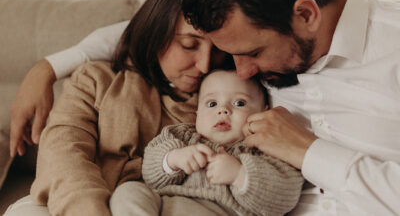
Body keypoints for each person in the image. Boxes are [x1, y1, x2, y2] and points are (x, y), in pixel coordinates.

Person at [182, 0, 400, 215]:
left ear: (306, 15)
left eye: (254, 53)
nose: (243, 72)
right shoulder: (249, 38)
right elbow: (143, 29)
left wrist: (308, 151)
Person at [6, 0, 228, 216]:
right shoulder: (97, 80)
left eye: (219, 50)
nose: (205, 65)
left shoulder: (232, 97)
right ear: (156, 32)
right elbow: (63, 154)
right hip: (80, 201)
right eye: (189, 45)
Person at [111, 70, 304, 216]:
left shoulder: (264, 147)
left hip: (224, 211)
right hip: (166, 205)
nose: (223, 110)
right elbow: (150, 171)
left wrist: (239, 174)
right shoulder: (182, 136)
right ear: (197, 114)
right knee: (128, 191)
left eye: (239, 103)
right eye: (212, 104)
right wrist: (173, 159)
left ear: (263, 111)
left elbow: (285, 195)